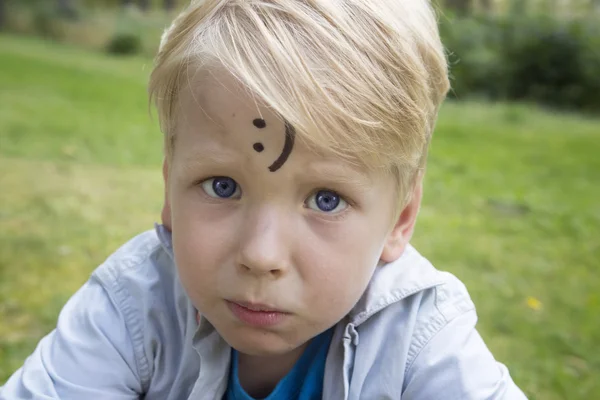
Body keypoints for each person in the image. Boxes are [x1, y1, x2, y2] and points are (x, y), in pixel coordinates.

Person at [0, 0, 528, 399]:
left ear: (401, 217)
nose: (262, 255)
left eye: (326, 199)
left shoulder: (421, 338)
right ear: (168, 188)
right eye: (222, 186)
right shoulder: (137, 304)